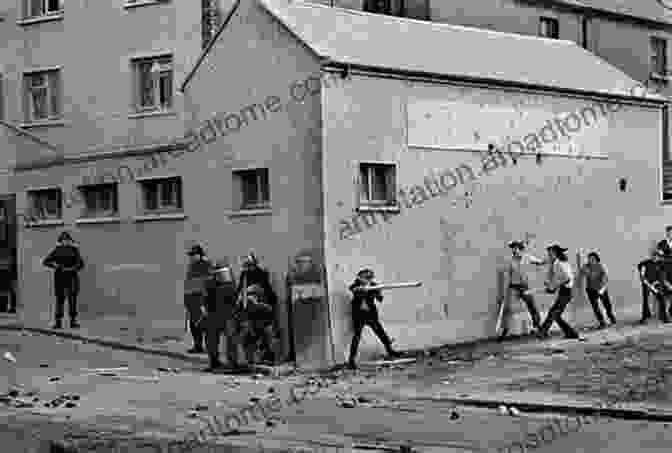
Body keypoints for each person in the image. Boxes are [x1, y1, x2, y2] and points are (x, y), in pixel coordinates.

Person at [347, 268, 402, 370]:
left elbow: (380, 299)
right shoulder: (355, 284)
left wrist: (377, 292)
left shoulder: (373, 285)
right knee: (357, 336)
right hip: (359, 315)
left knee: (380, 332)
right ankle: (351, 360)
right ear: (360, 277)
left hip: (370, 314)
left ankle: (390, 351)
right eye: (366, 277)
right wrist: (361, 288)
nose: (368, 279)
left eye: (370, 278)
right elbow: (352, 289)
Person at [236, 252, 280, 364]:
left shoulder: (262, 274)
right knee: (248, 333)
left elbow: (269, 293)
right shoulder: (244, 275)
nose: (248, 268)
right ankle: (252, 359)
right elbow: (240, 292)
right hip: (250, 311)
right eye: (246, 265)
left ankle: (269, 357)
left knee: (267, 334)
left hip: (263, 310)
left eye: (250, 265)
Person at [498, 240, 544, 340]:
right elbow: (507, 276)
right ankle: (504, 330)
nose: (514, 250)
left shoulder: (527, 257)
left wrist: (542, 263)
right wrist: (504, 292)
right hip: (513, 287)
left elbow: (540, 262)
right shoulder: (510, 261)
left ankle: (539, 328)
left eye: (516, 248)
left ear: (520, 249)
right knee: (508, 309)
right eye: (512, 248)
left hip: (524, 287)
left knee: (533, 307)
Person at [536, 244, 581, 340]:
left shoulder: (559, 264)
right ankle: (571, 333)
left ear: (556, 254)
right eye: (549, 254)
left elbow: (567, 278)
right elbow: (558, 277)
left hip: (567, 291)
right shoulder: (558, 263)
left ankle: (542, 332)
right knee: (555, 314)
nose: (549, 255)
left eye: (551, 253)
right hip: (564, 290)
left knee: (553, 313)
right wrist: (550, 285)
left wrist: (554, 286)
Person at [203, 259, 239, 372]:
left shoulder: (230, 286)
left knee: (231, 338)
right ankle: (214, 361)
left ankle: (232, 363)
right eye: (218, 273)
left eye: (222, 273)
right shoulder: (211, 285)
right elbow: (206, 300)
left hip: (228, 314)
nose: (221, 276)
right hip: (214, 314)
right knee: (211, 339)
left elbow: (234, 300)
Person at [43, 231, 85, 329]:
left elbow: (81, 264)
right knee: (59, 300)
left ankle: (73, 322)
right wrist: (55, 265)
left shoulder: (74, 250)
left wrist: (74, 268)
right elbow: (46, 261)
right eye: (63, 240)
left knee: (72, 300)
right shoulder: (57, 250)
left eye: (66, 240)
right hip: (60, 278)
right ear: (60, 241)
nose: (65, 242)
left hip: (71, 277)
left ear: (69, 241)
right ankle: (58, 322)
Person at [184, 244, 214, 354]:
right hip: (192, 299)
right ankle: (197, 345)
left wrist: (205, 299)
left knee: (204, 323)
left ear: (199, 254)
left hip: (201, 298)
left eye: (193, 254)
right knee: (193, 324)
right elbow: (189, 283)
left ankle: (209, 347)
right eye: (190, 255)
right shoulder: (192, 266)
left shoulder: (206, 264)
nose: (191, 257)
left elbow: (209, 282)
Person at [580, 252, 616, 329]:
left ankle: (611, 317)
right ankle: (602, 322)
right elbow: (584, 273)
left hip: (601, 289)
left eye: (592, 259)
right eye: (589, 258)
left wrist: (602, 287)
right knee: (596, 307)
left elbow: (604, 277)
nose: (590, 260)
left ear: (596, 259)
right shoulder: (586, 267)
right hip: (591, 290)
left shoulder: (600, 267)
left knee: (607, 305)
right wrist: (583, 269)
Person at [638, 249, 661, 323]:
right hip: (647, 284)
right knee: (646, 299)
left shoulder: (659, 264)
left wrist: (656, 284)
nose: (655, 257)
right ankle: (645, 317)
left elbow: (660, 276)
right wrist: (651, 287)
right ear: (651, 256)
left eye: (657, 256)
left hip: (655, 283)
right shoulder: (644, 264)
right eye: (654, 255)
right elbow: (643, 277)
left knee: (661, 295)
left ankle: (663, 314)